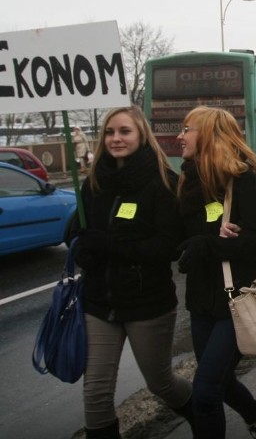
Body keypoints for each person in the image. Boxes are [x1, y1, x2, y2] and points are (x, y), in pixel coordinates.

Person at [73, 106, 194, 439]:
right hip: (99, 303)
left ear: (141, 135)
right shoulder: (95, 179)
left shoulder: (162, 181)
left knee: (161, 384)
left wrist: (109, 245)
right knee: (95, 394)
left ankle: (202, 412)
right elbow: (75, 229)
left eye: (124, 131)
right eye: (110, 132)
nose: (116, 138)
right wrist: (80, 244)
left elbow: (167, 247)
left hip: (147, 304)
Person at [175, 106, 256, 439]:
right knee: (218, 378)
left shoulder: (243, 181)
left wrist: (209, 245)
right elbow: (180, 238)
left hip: (235, 302)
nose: (180, 136)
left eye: (187, 129)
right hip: (201, 302)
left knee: (204, 393)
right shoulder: (188, 181)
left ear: (207, 135)